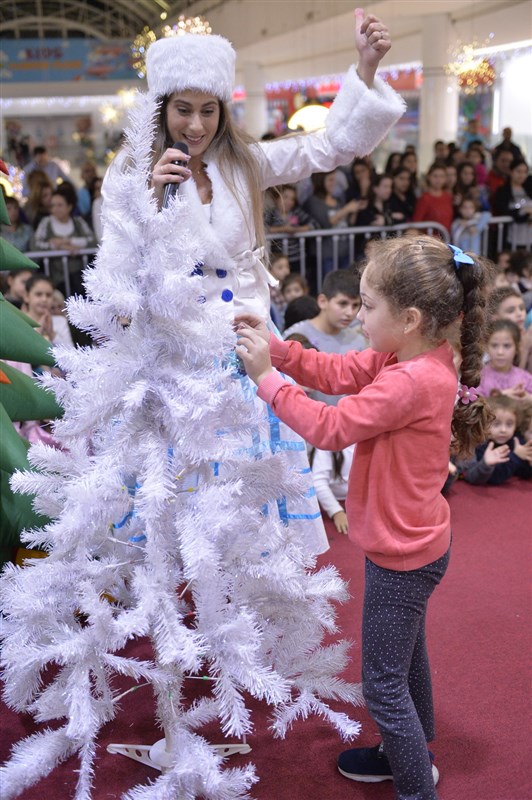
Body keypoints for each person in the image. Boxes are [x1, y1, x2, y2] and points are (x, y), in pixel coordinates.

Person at [102, 9, 405, 557]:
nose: (196, 125)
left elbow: (328, 145)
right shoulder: (128, 171)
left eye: (208, 111)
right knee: (180, 483)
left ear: (223, 110)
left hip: (244, 344)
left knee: (244, 478)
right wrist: (148, 197)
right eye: (183, 110)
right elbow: (114, 271)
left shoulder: (243, 163)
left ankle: (249, 576)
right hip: (173, 356)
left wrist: (365, 67)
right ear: (161, 108)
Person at [235, 235, 493, 800]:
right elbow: (337, 370)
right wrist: (278, 349)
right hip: (415, 543)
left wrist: (266, 380)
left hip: (402, 555)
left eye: (368, 306)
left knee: (381, 683)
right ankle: (410, 750)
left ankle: (414, 786)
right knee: (407, 658)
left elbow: (331, 427)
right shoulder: (412, 357)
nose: (358, 317)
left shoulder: (410, 379)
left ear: (410, 318)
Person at [283, 269, 367, 406]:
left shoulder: (358, 340)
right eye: (343, 303)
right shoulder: (295, 336)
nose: (350, 313)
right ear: (322, 301)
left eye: (355, 305)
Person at [458, 395, 532, 485]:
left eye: (509, 424)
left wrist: (529, 464)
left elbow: (523, 473)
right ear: (484, 423)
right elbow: (494, 478)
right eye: (496, 424)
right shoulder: (480, 444)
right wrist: (516, 457)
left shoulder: (516, 440)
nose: (503, 430)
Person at [31, 189, 96, 293]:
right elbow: (35, 245)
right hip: (56, 279)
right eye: (52, 206)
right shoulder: (46, 223)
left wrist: (68, 241)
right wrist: (60, 247)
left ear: (69, 206)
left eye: (60, 205)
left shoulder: (78, 221)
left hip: (80, 276)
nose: (55, 209)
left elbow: (92, 241)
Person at [303, 170, 362, 274]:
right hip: (326, 255)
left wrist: (355, 210)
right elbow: (324, 223)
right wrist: (346, 209)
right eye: (330, 180)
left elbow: (347, 223)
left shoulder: (337, 200)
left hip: (344, 252)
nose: (333, 183)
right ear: (321, 181)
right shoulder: (313, 201)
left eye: (334, 179)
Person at [478, 319, 532, 399]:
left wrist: (527, 398)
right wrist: (502, 395)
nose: (500, 352)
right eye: (494, 345)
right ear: (486, 347)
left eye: (507, 346)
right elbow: (476, 406)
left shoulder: (526, 379)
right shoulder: (479, 378)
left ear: (516, 348)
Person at [310, 444, 355, 534]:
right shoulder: (328, 445)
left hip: (361, 503)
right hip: (331, 502)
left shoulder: (370, 441)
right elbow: (318, 482)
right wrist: (336, 512)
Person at [22, 274, 74, 347]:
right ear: (26, 296)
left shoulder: (60, 321)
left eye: (48, 295)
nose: (44, 299)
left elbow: (71, 354)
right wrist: (38, 332)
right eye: (38, 294)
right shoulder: (19, 321)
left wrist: (52, 334)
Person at [488, 286, 532, 371]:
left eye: (522, 308)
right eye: (511, 311)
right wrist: (525, 349)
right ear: (494, 317)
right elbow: (513, 380)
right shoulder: (493, 343)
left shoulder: (526, 335)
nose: (519, 314)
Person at [493, 158, 532, 249]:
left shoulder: (529, 189)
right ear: (511, 171)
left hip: (529, 238)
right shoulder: (503, 191)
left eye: (525, 172)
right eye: (518, 171)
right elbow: (502, 210)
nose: (522, 175)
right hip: (511, 239)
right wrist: (524, 212)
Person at [413, 163, 454, 234]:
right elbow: (417, 222)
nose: (438, 179)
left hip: (446, 240)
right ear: (429, 177)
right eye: (435, 176)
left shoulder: (448, 197)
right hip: (431, 241)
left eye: (442, 176)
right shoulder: (425, 198)